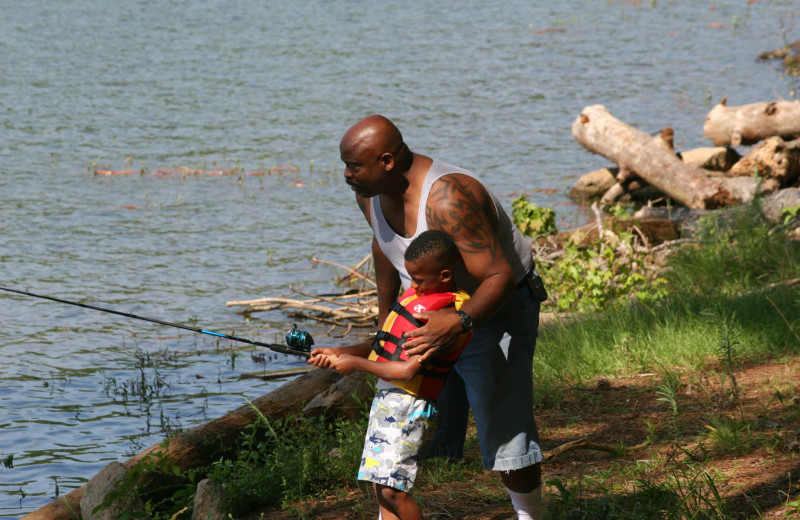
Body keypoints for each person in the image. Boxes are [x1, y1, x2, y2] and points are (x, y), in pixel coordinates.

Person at [336, 115, 547, 520]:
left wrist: (459, 321)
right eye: (345, 164)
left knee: (501, 423)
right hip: (431, 310)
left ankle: (531, 515)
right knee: (399, 423)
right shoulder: (370, 191)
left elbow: (499, 276)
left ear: (387, 161)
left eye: (354, 166)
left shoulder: (448, 198)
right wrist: (387, 323)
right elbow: (384, 245)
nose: (347, 175)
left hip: (494, 309)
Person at [308, 230, 472, 520]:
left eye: (419, 280)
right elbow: (385, 344)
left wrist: (355, 365)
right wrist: (339, 350)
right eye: (412, 280)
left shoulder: (443, 316)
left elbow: (408, 369)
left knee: (394, 490)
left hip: (411, 405)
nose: (415, 287)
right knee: (380, 486)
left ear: (445, 276)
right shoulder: (420, 296)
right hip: (388, 399)